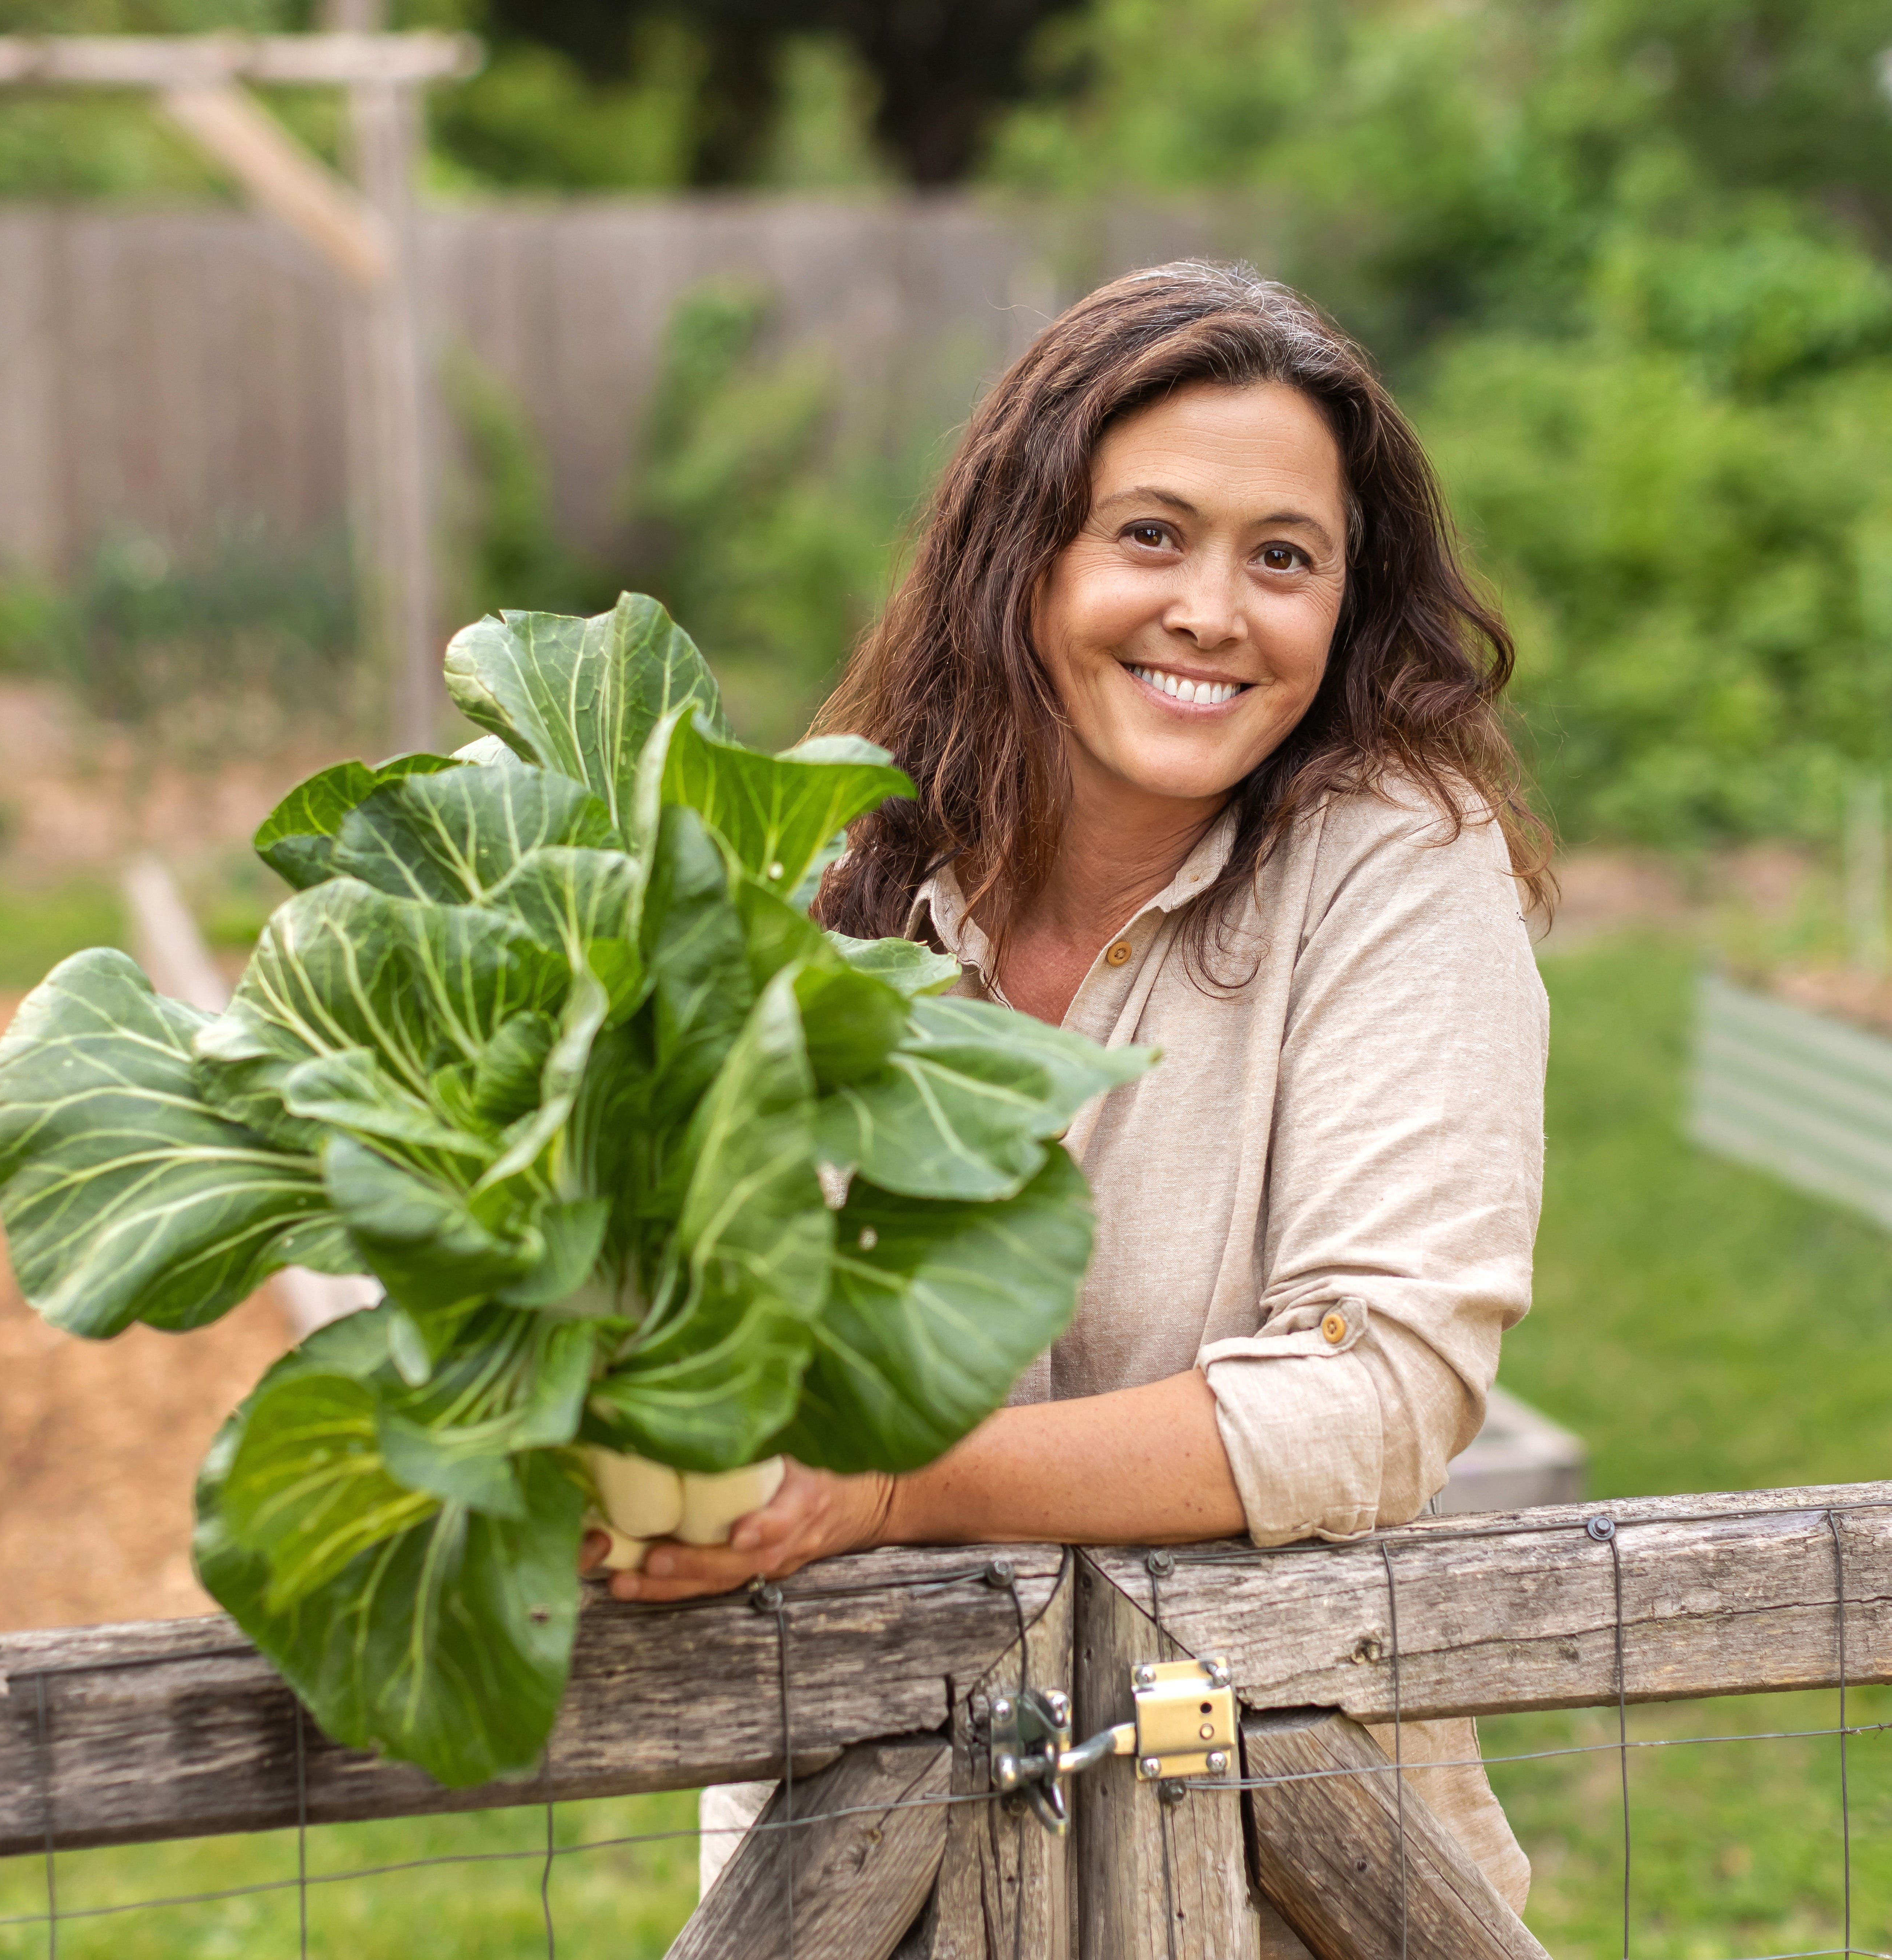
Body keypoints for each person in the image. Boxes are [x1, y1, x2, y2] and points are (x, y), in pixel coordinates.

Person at [586, 260, 1552, 1945]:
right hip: (851, 1862)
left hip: (1279, 1880)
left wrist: (897, 1487)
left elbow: (1381, 1389)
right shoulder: (829, 876)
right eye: (1151, 536)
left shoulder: (1398, 865)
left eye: (1284, 559)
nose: (1214, 613)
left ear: (1345, 607)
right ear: (1023, 556)